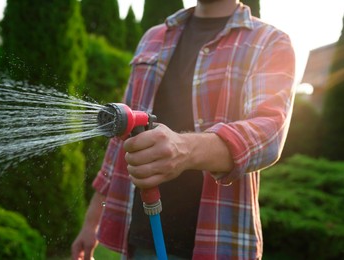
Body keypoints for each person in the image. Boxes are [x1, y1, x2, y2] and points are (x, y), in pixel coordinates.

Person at [72, 0, 296, 259]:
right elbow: (121, 133)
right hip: (142, 237)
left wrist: (184, 149)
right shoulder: (153, 38)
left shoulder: (269, 42)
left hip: (217, 241)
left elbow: (268, 133)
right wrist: (92, 220)